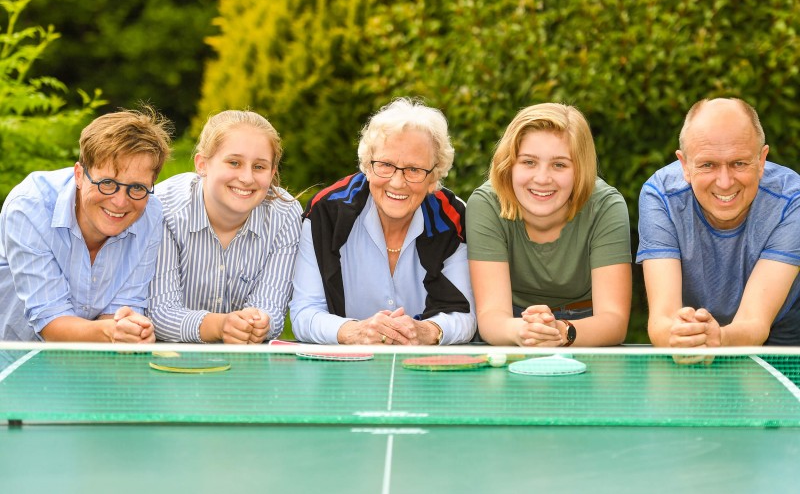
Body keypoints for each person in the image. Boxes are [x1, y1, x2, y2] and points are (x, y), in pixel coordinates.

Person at [290, 98, 475, 345]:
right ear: (367, 165)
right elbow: (304, 313)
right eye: (386, 165)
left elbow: (464, 314)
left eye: (414, 169)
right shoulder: (326, 213)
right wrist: (354, 332)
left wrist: (426, 331)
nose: (398, 182)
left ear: (434, 177)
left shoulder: (453, 217)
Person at [637, 97, 800, 348]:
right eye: (708, 165)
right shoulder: (660, 196)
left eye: (739, 163)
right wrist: (679, 335)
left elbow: (755, 320)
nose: (724, 182)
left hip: (783, 334)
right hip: (693, 330)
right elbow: (663, 320)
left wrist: (718, 338)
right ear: (685, 165)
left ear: (762, 160)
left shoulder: (792, 200)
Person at [0, 107, 172, 342]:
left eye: (137, 188)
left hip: (91, 359)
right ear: (79, 175)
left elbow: (120, 311)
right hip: (13, 355)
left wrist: (129, 330)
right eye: (108, 183)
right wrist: (113, 332)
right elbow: (51, 321)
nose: (120, 202)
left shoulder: (149, 214)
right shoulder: (29, 207)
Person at [467, 103, 631, 347]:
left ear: (580, 170)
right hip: (513, 325)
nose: (542, 178)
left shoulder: (605, 207)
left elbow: (613, 321)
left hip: (584, 328)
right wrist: (524, 330)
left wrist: (560, 331)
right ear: (509, 164)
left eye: (559, 165)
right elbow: (491, 318)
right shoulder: (486, 205)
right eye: (529, 162)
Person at [148, 110, 302, 344]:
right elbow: (161, 313)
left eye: (259, 167)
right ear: (202, 164)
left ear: (272, 173)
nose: (247, 178)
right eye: (234, 163)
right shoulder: (163, 208)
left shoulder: (285, 215)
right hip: (172, 359)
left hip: (246, 361)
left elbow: (272, 307)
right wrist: (221, 326)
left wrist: (259, 322)